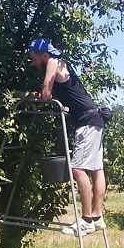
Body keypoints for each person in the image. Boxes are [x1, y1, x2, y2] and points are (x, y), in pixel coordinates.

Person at [28, 38, 106, 236]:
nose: (33, 63)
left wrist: (38, 95)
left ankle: (86, 220)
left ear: (45, 55)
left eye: (34, 58)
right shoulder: (61, 64)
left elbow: (46, 94)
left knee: (78, 169)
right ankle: (97, 217)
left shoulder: (53, 62)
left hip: (86, 122)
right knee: (97, 169)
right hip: (95, 118)